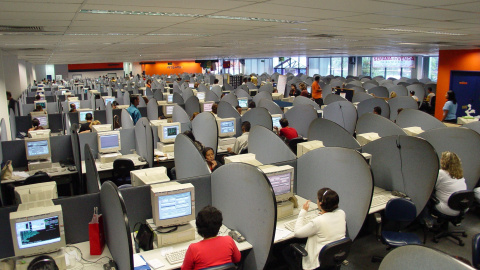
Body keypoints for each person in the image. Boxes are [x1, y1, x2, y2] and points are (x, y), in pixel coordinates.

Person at [285, 188, 346, 270]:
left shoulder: (318, 221)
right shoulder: (341, 213)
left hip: (316, 263)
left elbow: (297, 233)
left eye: (317, 199)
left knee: (285, 250)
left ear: (320, 203)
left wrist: (303, 212)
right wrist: (324, 213)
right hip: (332, 257)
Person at [181, 206, 241, 270]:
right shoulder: (229, 240)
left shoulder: (193, 249)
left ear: (198, 227)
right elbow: (237, 259)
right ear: (220, 225)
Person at [433, 151, 467, 216]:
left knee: (427, 199)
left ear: (444, 161)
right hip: (461, 208)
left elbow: (431, 187)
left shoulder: (441, 173)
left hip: (447, 208)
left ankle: (427, 220)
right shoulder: (460, 175)